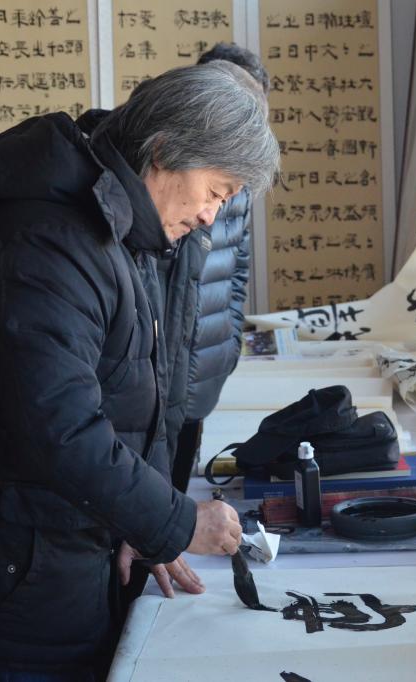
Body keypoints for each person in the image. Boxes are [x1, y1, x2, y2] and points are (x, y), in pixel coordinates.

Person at [0, 61, 279, 680]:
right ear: (165, 150)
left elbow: (136, 392)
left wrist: (141, 523)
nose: (210, 216)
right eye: (216, 191)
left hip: (62, 556)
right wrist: (175, 521)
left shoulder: (116, 224)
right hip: (17, 584)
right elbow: (59, 429)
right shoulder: (49, 237)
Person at [166, 43, 270, 493]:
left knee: (179, 480)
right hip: (162, 361)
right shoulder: (175, 171)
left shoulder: (238, 183)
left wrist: (228, 344)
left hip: (208, 355)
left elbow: (239, 267)